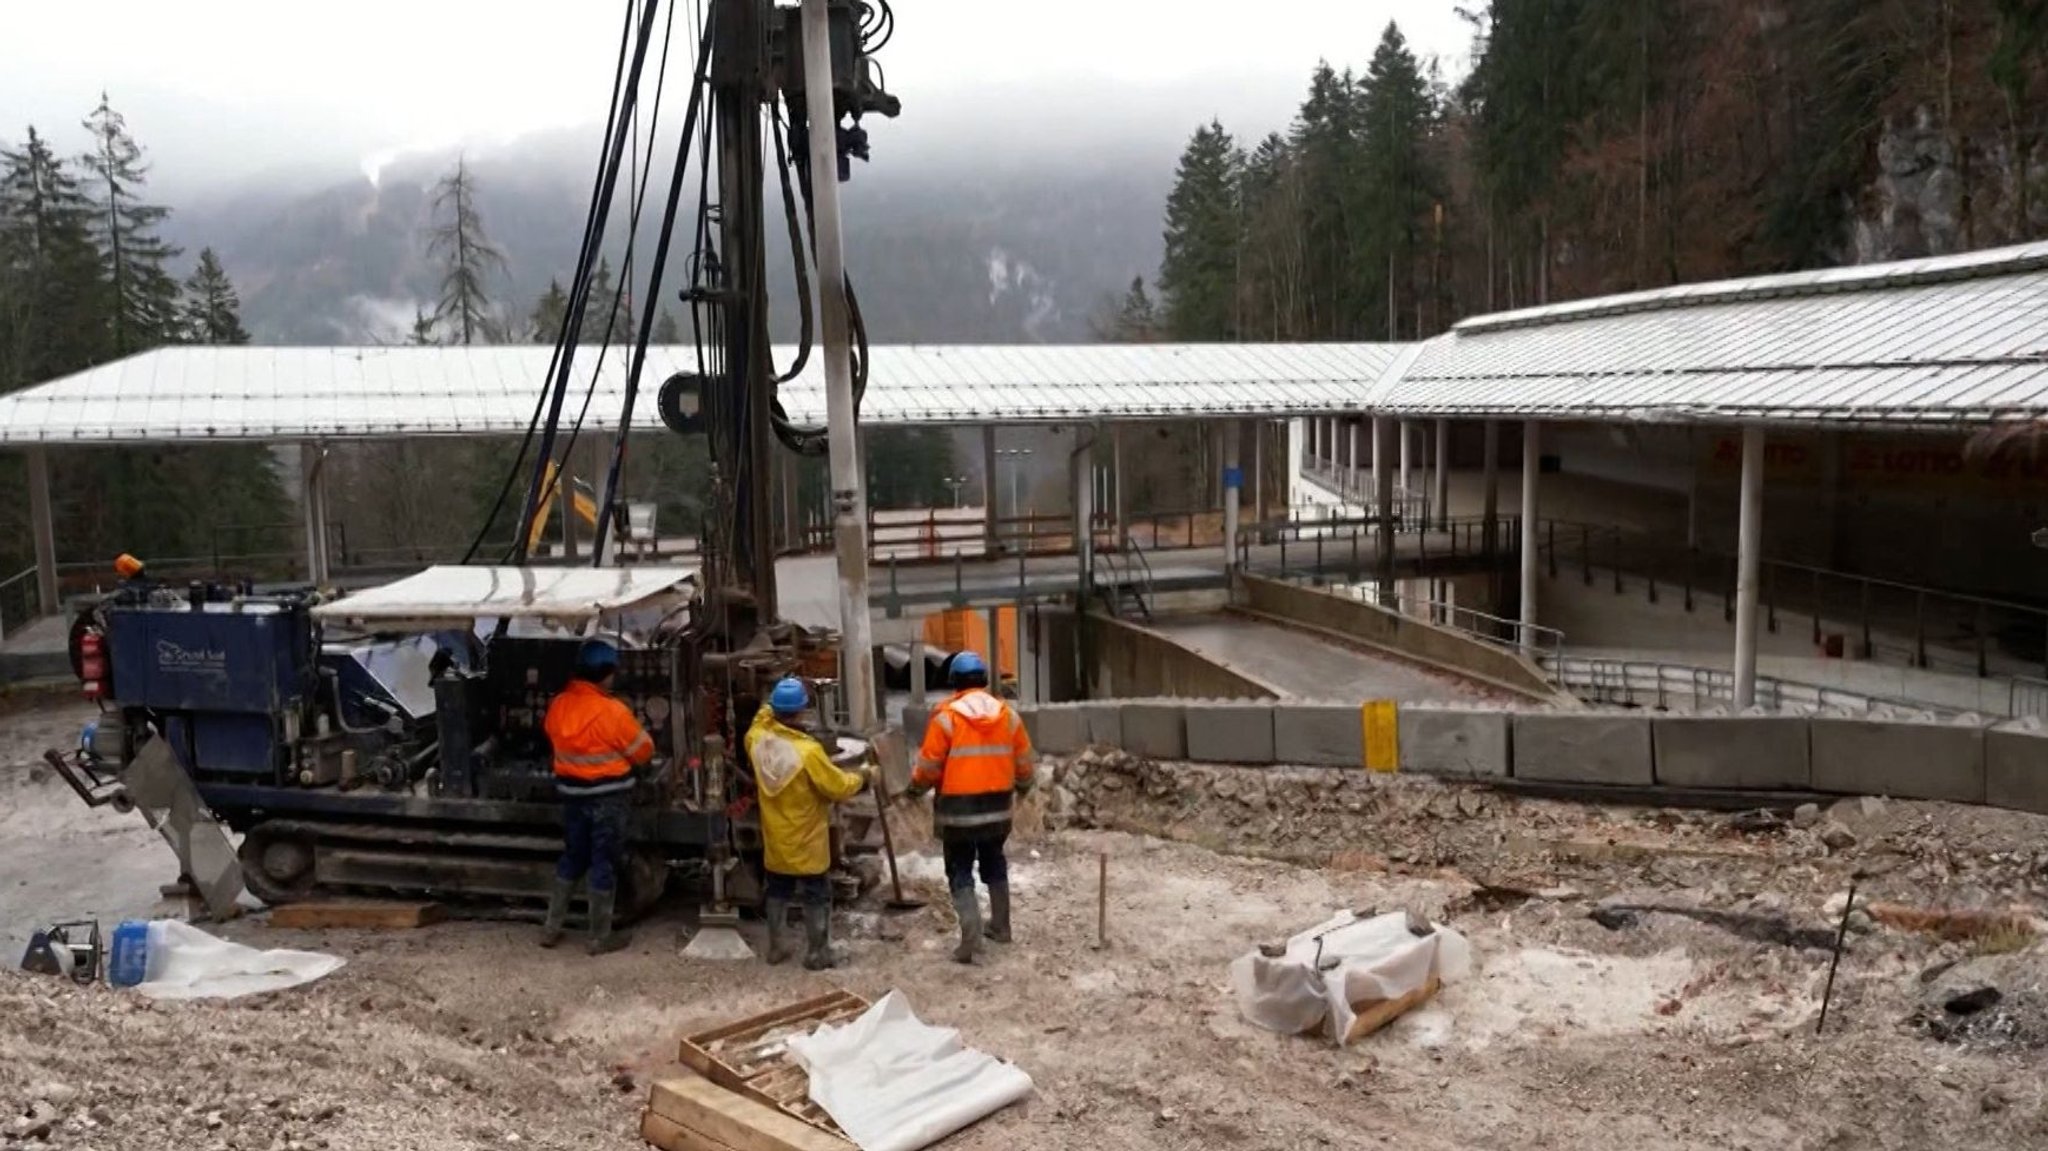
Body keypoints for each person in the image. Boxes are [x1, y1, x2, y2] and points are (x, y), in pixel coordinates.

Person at [911, 651, 1035, 964]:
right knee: (995, 861)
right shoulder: (1007, 715)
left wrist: (914, 789)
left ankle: (970, 939)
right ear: (983, 681)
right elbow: (1023, 764)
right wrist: (1022, 786)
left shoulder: (945, 717)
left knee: (960, 868)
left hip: (958, 811)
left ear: (954, 683)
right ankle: (1002, 926)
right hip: (998, 807)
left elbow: (928, 767)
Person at [746, 677, 873, 970]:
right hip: (807, 842)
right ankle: (817, 953)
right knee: (816, 893)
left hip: (777, 840)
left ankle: (777, 947)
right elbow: (838, 787)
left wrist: (774, 698)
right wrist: (865, 776)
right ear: (802, 712)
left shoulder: (756, 739)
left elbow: (760, 718)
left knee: (777, 890)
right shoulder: (808, 752)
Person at [541, 640, 656, 955]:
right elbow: (644, 751)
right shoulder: (613, 712)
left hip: (572, 796)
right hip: (608, 799)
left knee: (573, 857)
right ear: (606, 674)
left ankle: (551, 929)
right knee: (602, 862)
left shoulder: (558, 705)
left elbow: (551, 736)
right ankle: (598, 936)